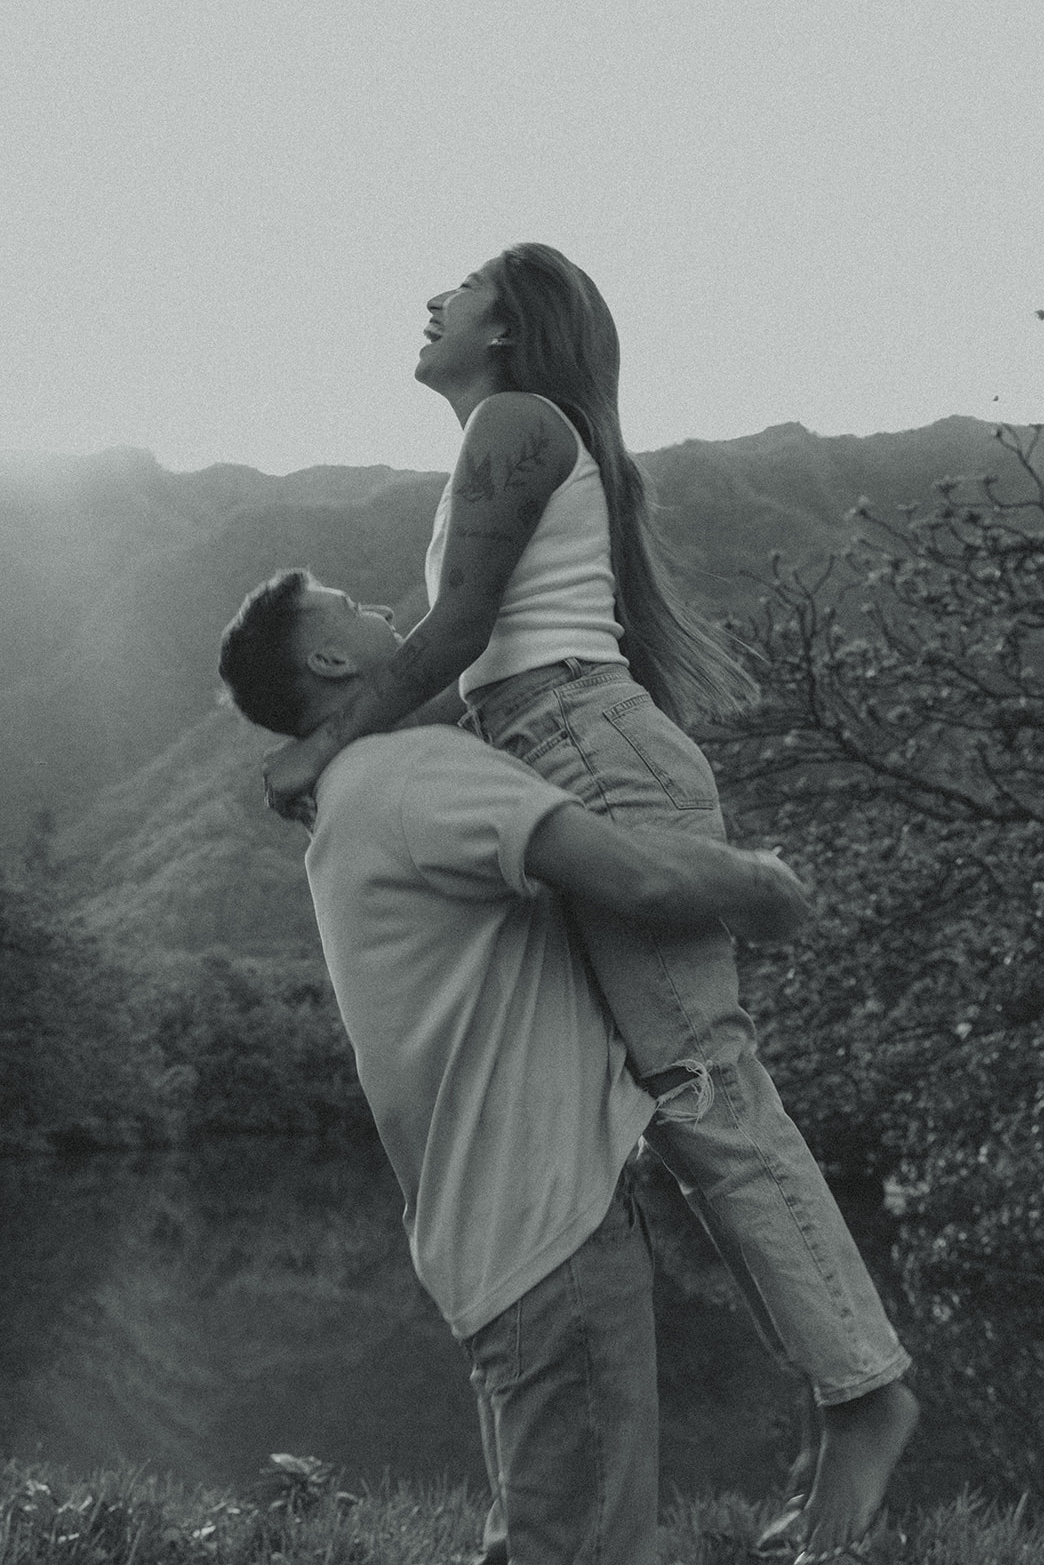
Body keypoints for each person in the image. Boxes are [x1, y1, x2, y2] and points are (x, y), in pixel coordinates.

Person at [260, 245, 919, 1564]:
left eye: (458, 290)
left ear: (509, 331)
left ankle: (861, 1395)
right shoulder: (499, 442)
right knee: (675, 1105)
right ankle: (843, 1387)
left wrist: (320, 750)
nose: (432, 300)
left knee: (704, 1090)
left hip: (586, 749)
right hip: (549, 741)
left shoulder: (517, 425)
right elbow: (464, 667)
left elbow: (451, 637)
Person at [218, 572, 814, 1565]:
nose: (382, 610)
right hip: (550, 1234)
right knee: (587, 1544)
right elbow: (641, 874)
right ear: (326, 658)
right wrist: (766, 882)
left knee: (541, 1532)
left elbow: (472, 673)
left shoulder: (356, 796)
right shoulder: (415, 773)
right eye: (350, 604)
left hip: (499, 1240)